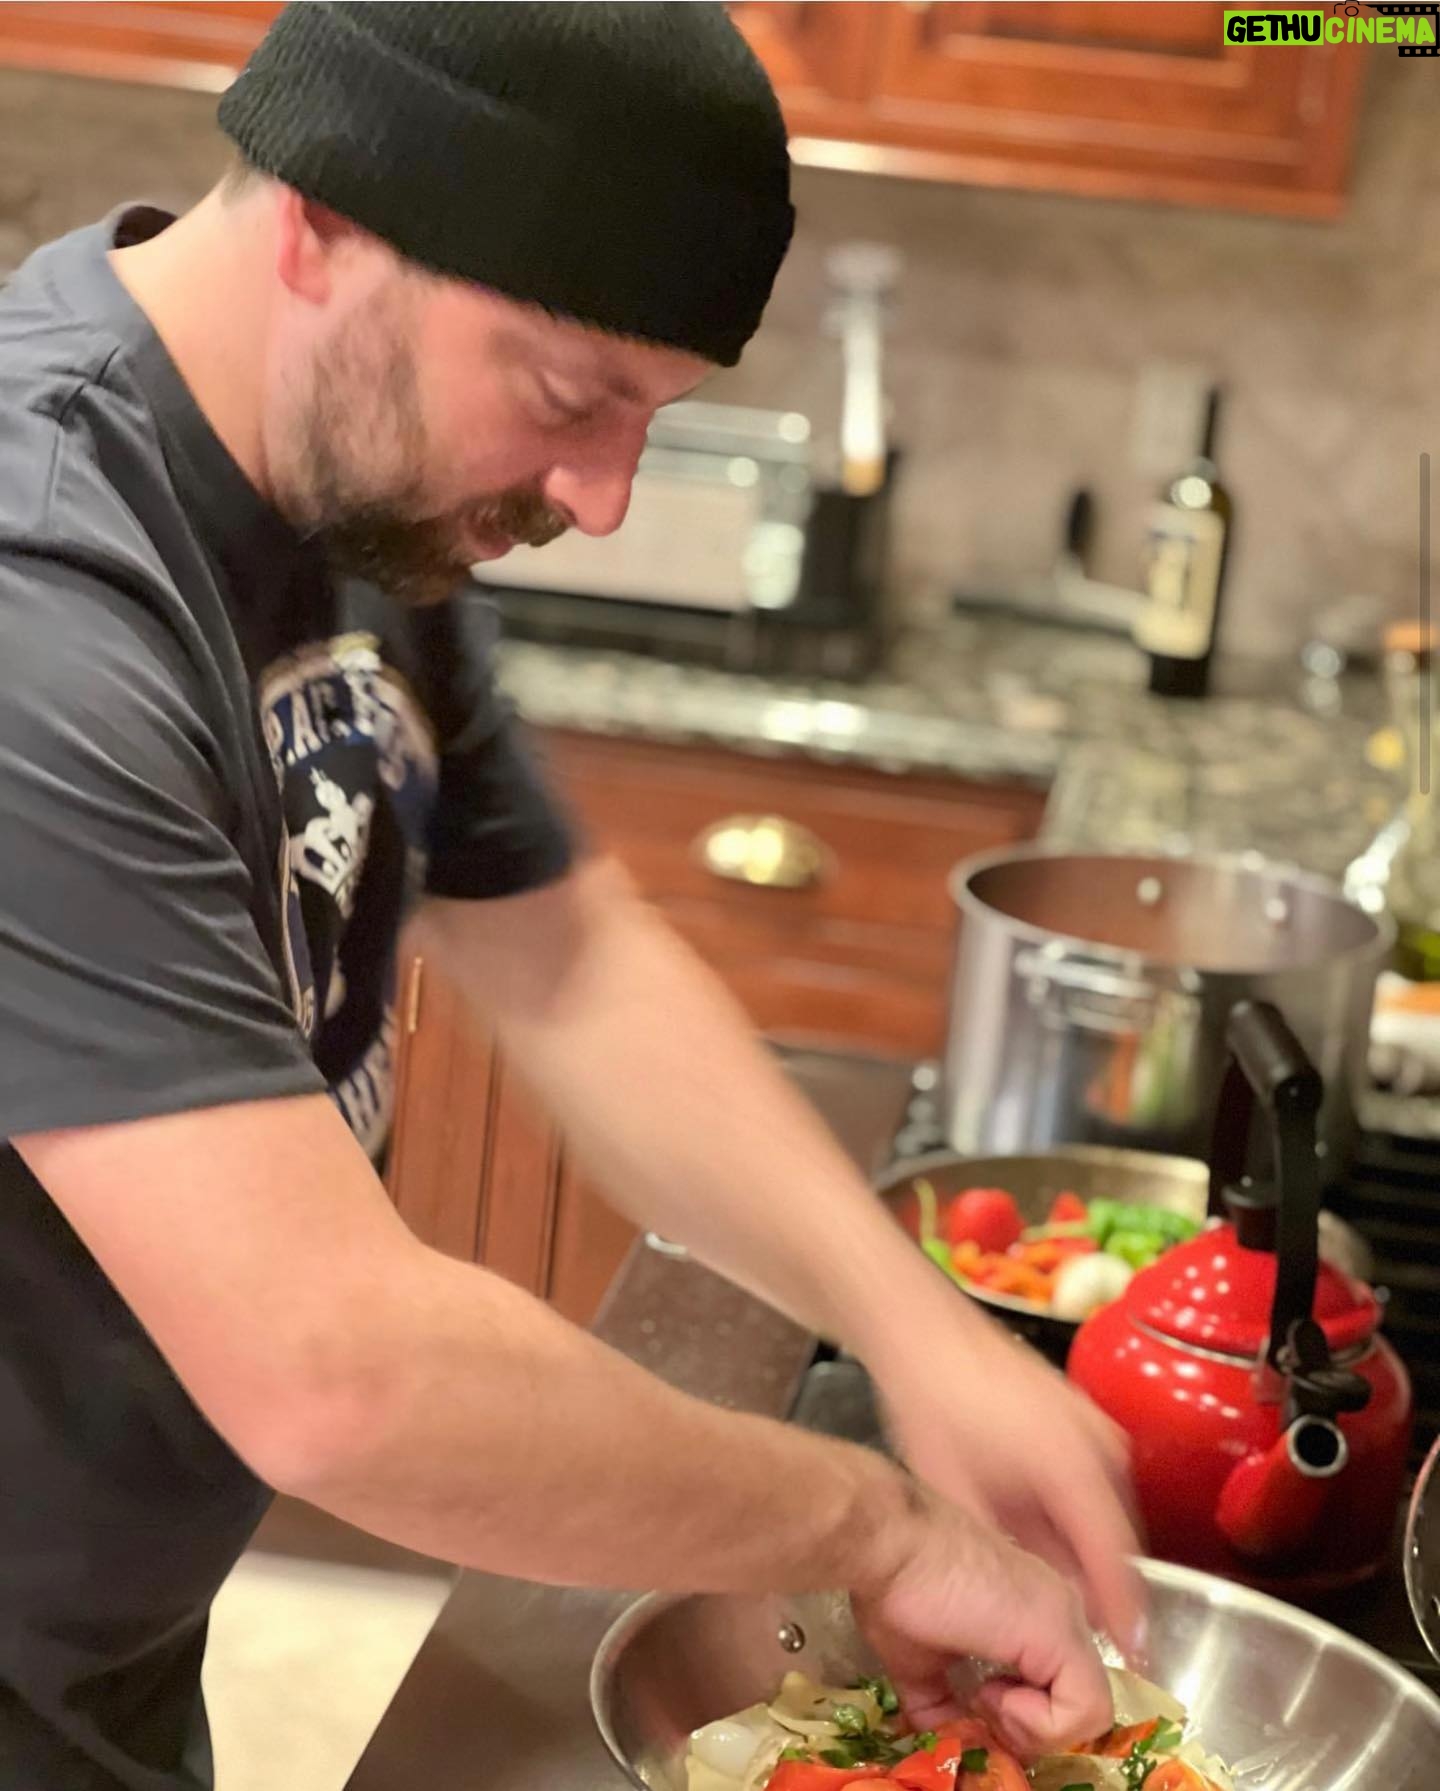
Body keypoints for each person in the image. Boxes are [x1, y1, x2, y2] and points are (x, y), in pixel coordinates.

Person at [0, 6, 1142, 1787]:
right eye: (566, 394)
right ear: (322, 223)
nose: (601, 499)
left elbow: (569, 954)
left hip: (94, 1646)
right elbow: (340, 1373)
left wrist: (927, 1341)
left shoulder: (333, 490)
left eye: (652, 415)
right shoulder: (41, 588)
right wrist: (878, 1525)